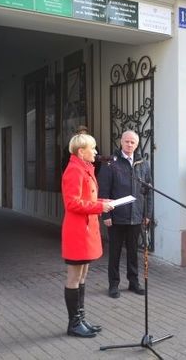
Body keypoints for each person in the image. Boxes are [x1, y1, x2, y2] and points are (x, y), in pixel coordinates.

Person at [62, 133, 114, 338]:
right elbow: (72, 203)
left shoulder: (84, 168)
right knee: (74, 277)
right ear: (81, 151)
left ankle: (81, 318)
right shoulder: (74, 170)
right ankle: (74, 323)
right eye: (92, 148)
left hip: (86, 229)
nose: (95, 152)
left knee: (82, 275)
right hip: (77, 231)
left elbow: (86, 198)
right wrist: (101, 206)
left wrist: (102, 201)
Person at [98, 130, 152, 298]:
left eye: (133, 142)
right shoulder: (111, 164)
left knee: (133, 251)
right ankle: (113, 284)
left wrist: (147, 213)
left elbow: (148, 191)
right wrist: (105, 215)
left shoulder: (143, 163)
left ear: (137, 144)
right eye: (127, 141)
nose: (130, 145)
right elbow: (104, 190)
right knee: (114, 252)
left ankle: (133, 282)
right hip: (116, 216)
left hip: (136, 215)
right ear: (121, 142)